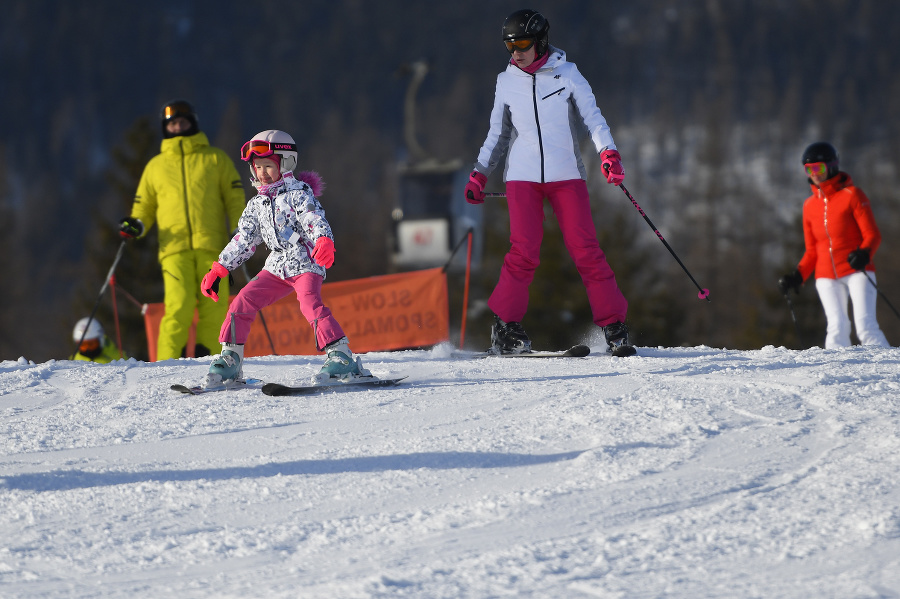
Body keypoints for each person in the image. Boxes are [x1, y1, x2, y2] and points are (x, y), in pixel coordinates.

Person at [464, 9, 634, 356]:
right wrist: (480, 172)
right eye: (510, 46)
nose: (516, 52)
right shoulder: (506, 81)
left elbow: (594, 118)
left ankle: (614, 326)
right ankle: (505, 328)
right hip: (522, 178)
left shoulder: (567, 74)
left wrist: (609, 154)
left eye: (523, 43)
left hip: (566, 176)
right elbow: (497, 134)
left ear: (540, 41)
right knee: (523, 252)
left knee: (587, 251)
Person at [198, 130, 368, 388]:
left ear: (286, 163)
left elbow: (313, 218)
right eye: (257, 167)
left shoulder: (299, 193)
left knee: (309, 303)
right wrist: (220, 267)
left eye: (268, 166)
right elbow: (244, 239)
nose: (262, 172)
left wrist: (323, 239)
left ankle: (342, 356)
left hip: (306, 262)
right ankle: (231, 359)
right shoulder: (256, 204)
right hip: (276, 267)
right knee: (242, 301)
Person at [119, 99, 247, 360]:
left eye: (183, 122)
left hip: (214, 248)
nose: (178, 127)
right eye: (173, 123)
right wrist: (137, 225)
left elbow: (234, 199)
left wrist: (240, 228)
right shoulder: (156, 167)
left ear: (193, 123)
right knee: (179, 307)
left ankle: (210, 360)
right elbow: (144, 206)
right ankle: (167, 365)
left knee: (215, 307)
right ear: (166, 128)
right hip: (173, 249)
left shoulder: (216, 159)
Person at [779, 142, 890, 349]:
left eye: (818, 168)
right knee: (836, 328)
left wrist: (864, 254)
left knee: (865, 327)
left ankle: (888, 369)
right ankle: (836, 376)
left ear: (831, 166)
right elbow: (812, 250)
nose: (814, 174)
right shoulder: (809, 206)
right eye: (808, 169)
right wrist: (798, 276)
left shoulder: (853, 196)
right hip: (826, 275)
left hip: (857, 270)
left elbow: (872, 234)